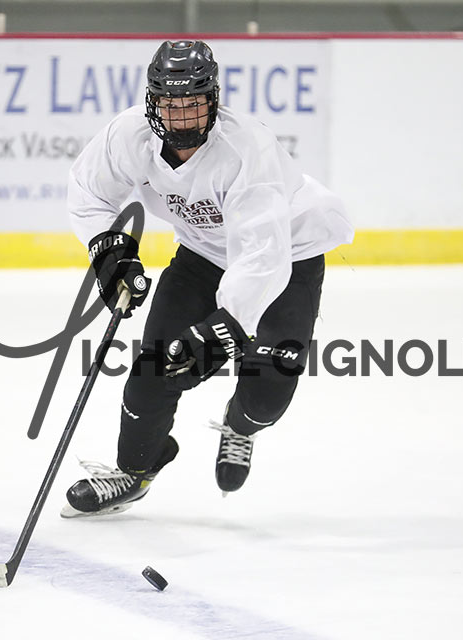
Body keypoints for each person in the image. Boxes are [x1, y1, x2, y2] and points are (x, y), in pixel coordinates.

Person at [62, 40, 353, 517]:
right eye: (170, 104)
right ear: (152, 101)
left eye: (193, 103)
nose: (181, 117)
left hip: (291, 254)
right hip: (202, 254)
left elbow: (263, 254)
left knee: (267, 395)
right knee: (154, 370)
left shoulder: (246, 149)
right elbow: (89, 192)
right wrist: (111, 253)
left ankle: (241, 425)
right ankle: (135, 471)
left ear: (213, 99)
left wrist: (226, 327)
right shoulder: (128, 135)